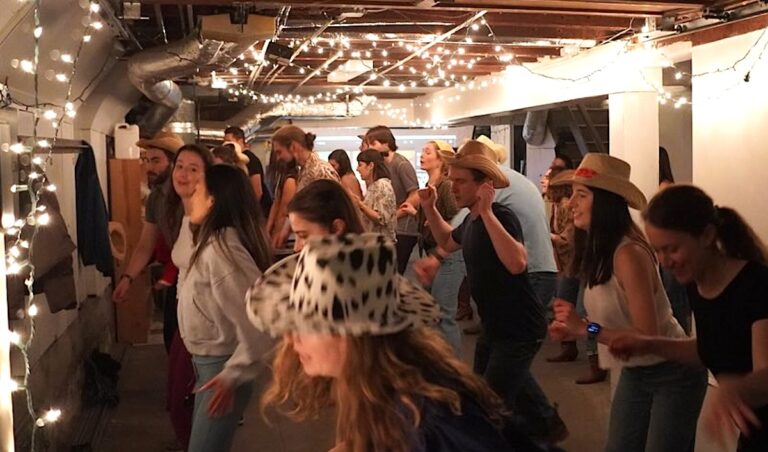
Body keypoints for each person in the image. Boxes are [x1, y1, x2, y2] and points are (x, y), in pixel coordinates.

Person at [248, 233, 519, 452]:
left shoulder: (423, 420)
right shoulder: (384, 389)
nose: (289, 338)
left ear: (353, 333)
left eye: (304, 324)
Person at [548, 154, 707, 452]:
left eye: (581, 196)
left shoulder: (628, 253)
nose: (571, 204)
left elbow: (646, 337)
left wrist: (585, 329)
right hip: (637, 372)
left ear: (606, 202)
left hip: (674, 371)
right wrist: (573, 329)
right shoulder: (599, 249)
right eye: (572, 195)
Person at [419, 140, 565, 445]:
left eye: (460, 182)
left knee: (489, 404)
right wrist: (430, 208)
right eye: (452, 180)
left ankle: (533, 434)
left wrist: (487, 212)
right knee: (489, 392)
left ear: (484, 185)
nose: (453, 187)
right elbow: (446, 242)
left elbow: (517, 262)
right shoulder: (472, 220)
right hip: (495, 326)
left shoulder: (499, 215)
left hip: (519, 328)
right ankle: (544, 425)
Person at [609, 185, 768, 451]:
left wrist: (733, 389)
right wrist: (649, 344)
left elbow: (765, 375)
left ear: (706, 236)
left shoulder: (757, 285)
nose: (665, 261)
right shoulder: (697, 284)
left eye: (672, 248)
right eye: (658, 251)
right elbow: (711, 347)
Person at [178, 164, 273, 452]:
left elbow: (261, 318)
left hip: (220, 369)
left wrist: (233, 373)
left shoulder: (222, 249)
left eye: (198, 191)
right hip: (211, 367)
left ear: (214, 201)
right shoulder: (211, 241)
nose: (189, 196)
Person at [475, 136, 558, 334]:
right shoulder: (511, 178)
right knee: (511, 343)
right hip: (537, 269)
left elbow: (463, 222)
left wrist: (438, 255)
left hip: (532, 271)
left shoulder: (496, 181)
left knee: (515, 340)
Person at [113, 131, 185, 351]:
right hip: (175, 278)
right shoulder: (156, 198)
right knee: (171, 339)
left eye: (156, 161)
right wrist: (127, 278)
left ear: (174, 164)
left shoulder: (187, 196)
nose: (149, 167)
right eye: (146, 160)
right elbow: (146, 244)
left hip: (194, 277)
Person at [167, 143, 214, 450]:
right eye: (180, 166)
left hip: (204, 328)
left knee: (186, 406)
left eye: (193, 168)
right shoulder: (186, 214)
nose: (183, 173)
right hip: (185, 323)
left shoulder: (211, 218)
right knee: (178, 402)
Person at [405, 140, 464, 354]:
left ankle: (454, 369)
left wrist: (436, 220)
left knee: (443, 314)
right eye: (422, 151)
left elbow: (458, 219)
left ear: (440, 158)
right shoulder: (432, 185)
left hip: (448, 254)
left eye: (427, 152)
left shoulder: (446, 186)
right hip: (433, 251)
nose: (422, 155)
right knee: (434, 312)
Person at [270, 125, 339, 248]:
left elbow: (333, 213)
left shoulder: (321, 171)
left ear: (293, 147)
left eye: (279, 152)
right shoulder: (305, 170)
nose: (278, 157)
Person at [365, 125, 420, 273]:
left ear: (386, 143)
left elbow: (415, 194)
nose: (370, 148)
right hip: (391, 228)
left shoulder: (401, 164)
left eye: (373, 144)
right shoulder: (383, 165)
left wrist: (395, 215)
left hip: (403, 229)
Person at [223, 126, 272, 215]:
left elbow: (257, 191)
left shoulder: (249, 159)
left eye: (230, 141)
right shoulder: (236, 160)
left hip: (258, 212)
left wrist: (248, 213)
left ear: (240, 141)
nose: (227, 146)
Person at [354, 149, 397, 241]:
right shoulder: (374, 186)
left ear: (371, 165)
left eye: (360, 165)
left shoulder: (382, 185)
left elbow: (381, 218)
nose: (357, 169)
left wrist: (360, 204)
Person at [265, 153, 299, 251]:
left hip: (284, 233)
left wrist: (277, 234)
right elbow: (276, 203)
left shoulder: (290, 181)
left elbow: (285, 211)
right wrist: (268, 229)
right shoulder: (282, 179)